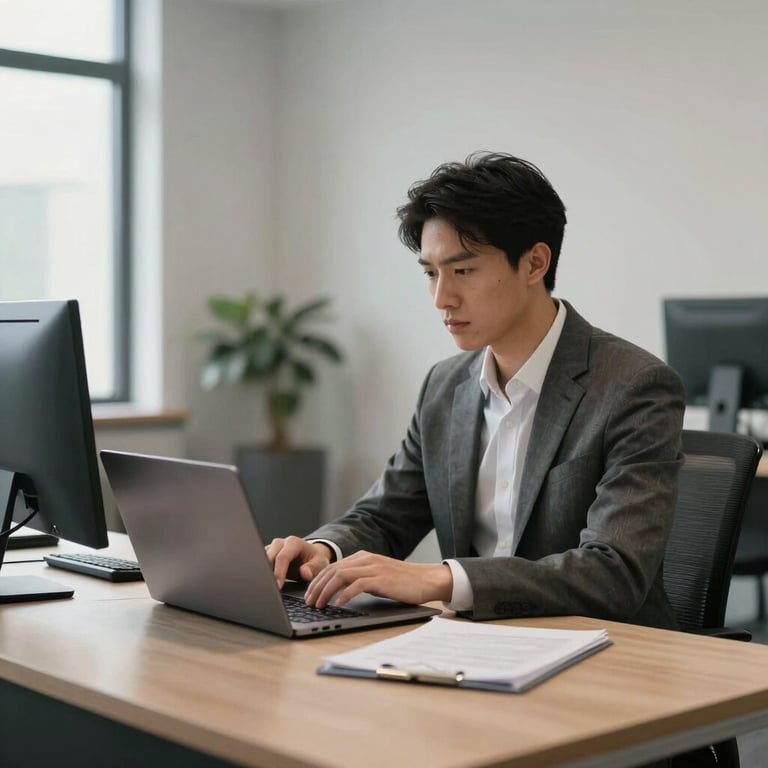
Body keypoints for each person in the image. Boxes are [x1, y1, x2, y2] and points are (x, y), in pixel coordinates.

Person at [266, 151, 685, 629]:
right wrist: (322, 550)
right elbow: (384, 517)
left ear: (534, 263)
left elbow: (615, 573)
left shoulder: (635, 387)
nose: (442, 297)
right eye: (430, 273)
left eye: (463, 271)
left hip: (607, 653)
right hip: (473, 647)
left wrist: (442, 580)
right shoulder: (445, 386)